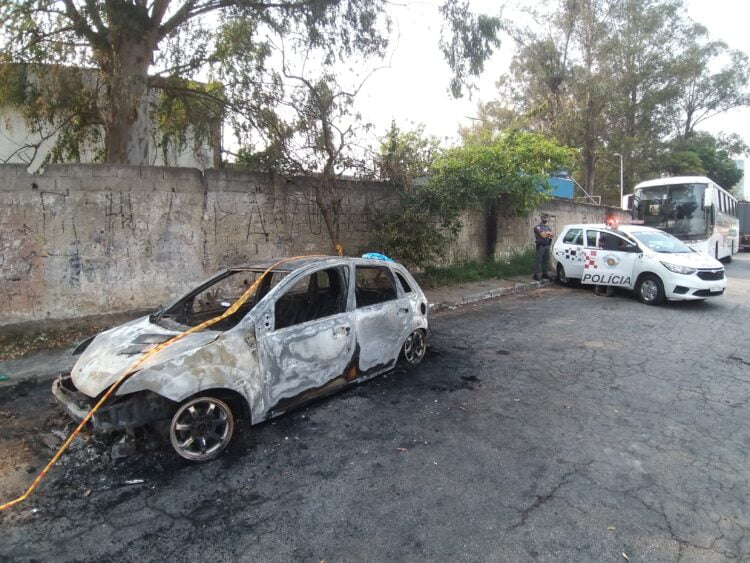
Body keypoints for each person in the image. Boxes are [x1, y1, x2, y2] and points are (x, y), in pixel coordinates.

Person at [595, 232, 619, 297]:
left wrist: (604, 246)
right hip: (615, 256)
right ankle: (609, 292)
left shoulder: (605, 234)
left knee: (603, 273)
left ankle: (598, 290)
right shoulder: (619, 234)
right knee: (611, 274)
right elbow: (624, 245)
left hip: (605, 255)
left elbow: (599, 244)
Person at [533, 213, 554, 281]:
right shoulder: (537, 227)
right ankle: (536, 275)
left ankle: (544, 274)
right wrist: (548, 233)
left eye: (546, 218)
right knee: (539, 260)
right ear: (541, 219)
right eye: (544, 218)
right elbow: (543, 236)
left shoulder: (547, 227)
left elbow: (553, 235)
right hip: (541, 246)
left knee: (545, 260)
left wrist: (546, 233)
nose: (545, 219)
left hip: (547, 245)